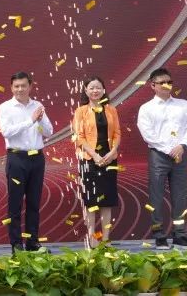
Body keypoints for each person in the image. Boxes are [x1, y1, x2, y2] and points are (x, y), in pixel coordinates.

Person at [137, 67, 187, 250]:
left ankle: (180, 235)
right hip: (158, 155)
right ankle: (159, 236)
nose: (166, 85)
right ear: (153, 85)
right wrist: (169, 149)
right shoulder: (146, 108)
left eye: (169, 82)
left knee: (179, 196)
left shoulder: (183, 105)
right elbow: (148, 134)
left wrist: (182, 146)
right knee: (156, 197)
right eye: (162, 82)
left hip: (180, 155)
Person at [0, 71, 53, 254]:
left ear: (30, 86)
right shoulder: (5, 107)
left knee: (34, 203)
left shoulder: (38, 106)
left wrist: (40, 121)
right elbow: (7, 132)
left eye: (23, 86)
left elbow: (49, 132)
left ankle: (32, 242)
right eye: (16, 86)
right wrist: (31, 120)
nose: (20, 89)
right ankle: (16, 244)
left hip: (37, 158)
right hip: (17, 158)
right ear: (11, 87)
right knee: (15, 203)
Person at [72, 76, 120, 247]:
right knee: (91, 200)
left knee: (107, 201)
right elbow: (79, 137)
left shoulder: (111, 110)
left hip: (109, 159)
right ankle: (92, 237)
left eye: (98, 87)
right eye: (91, 88)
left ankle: (105, 238)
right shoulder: (81, 111)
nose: (95, 91)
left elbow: (117, 133)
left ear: (103, 90)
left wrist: (112, 152)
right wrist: (94, 155)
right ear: (86, 91)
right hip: (88, 160)